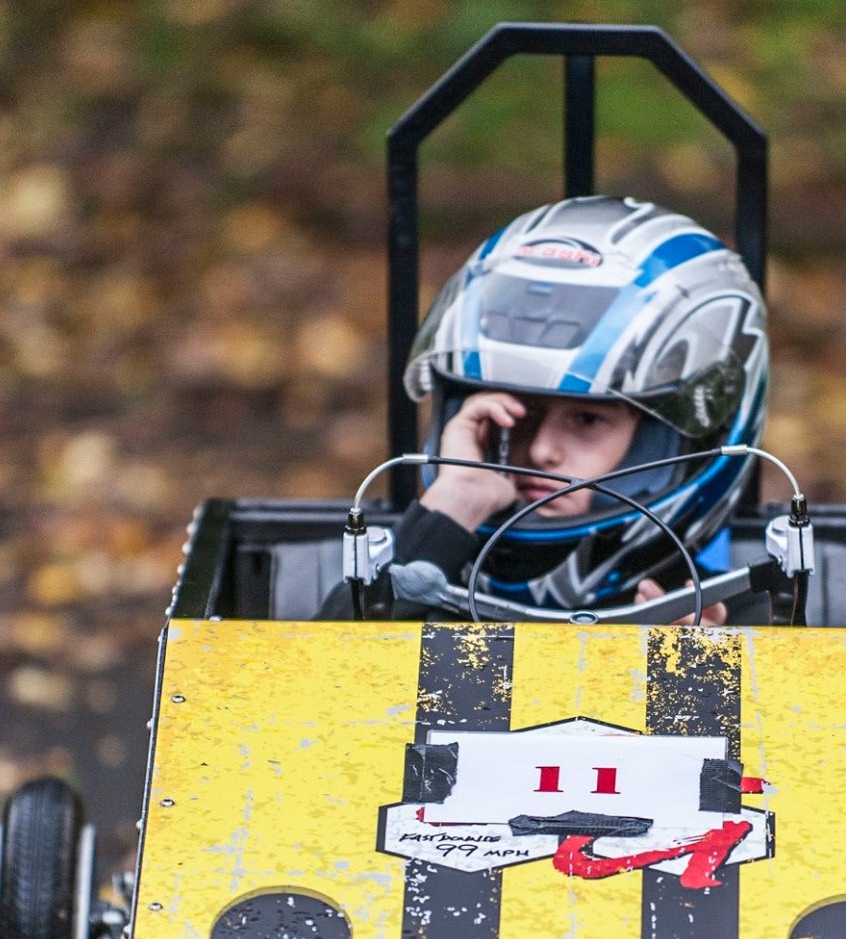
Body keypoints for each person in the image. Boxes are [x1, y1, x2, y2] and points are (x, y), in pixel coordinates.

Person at [321, 194, 768, 621]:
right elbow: (325, 668)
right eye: (518, 414)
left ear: (672, 442)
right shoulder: (427, 591)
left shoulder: (748, 616)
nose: (540, 451)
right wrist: (452, 504)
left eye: (587, 419)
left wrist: (700, 660)